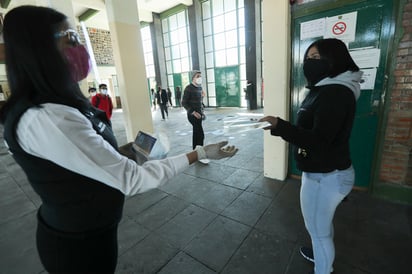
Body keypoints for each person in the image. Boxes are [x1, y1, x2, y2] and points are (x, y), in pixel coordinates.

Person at [0, 6, 238, 273]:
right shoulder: (47, 119)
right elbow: (133, 180)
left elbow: (88, 156)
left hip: (95, 230)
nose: (79, 47)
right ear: (40, 49)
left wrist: (133, 149)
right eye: (71, 37)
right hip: (78, 245)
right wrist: (200, 153)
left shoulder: (61, 105)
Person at [260, 38, 362, 274]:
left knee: (317, 230)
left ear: (334, 59)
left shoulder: (335, 93)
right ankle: (321, 254)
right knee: (321, 227)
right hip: (325, 172)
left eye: (316, 58)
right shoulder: (327, 88)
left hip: (326, 176)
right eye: (307, 58)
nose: (309, 63)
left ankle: (323, 266)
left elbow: (318, 140)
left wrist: (279, 125)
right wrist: (280, 126)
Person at [182, 70, 209, 164]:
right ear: (193, 77)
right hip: (192, 115)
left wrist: (203, 98)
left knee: (196, 133)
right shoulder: (188, 88)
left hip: (199, 114)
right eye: (197, 76)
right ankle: (200, 155)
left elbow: (199, 103)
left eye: (200, 76)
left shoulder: (200, 87)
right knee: (200, 134)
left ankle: (195, 153)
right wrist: (193, 112)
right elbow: (184, 103)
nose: (199, 78)